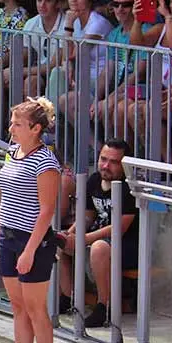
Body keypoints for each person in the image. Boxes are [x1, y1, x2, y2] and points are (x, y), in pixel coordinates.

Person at [0, 97, 61, 343]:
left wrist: (30, 249)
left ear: (36, 128)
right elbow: (5, 197)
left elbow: (46, 210)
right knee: (17, 306)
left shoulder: (46, 163)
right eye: (13, 122)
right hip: (8, 235)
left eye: (18, 124)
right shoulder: (12, 152)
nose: (11, 129)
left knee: (35, 307)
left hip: (34, 240)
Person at [54, 140, 139, 328]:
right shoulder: (94, 180)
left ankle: (105, 307)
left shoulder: (129, 187)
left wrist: (84, 239)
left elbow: (119, 227)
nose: (106, 166)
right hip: (99, 238)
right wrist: (70, 234)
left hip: (128, 245)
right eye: (103, 159)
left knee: (99, 247)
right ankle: (68, 298)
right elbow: (87, 216)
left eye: (114, 162)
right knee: (61, 241)